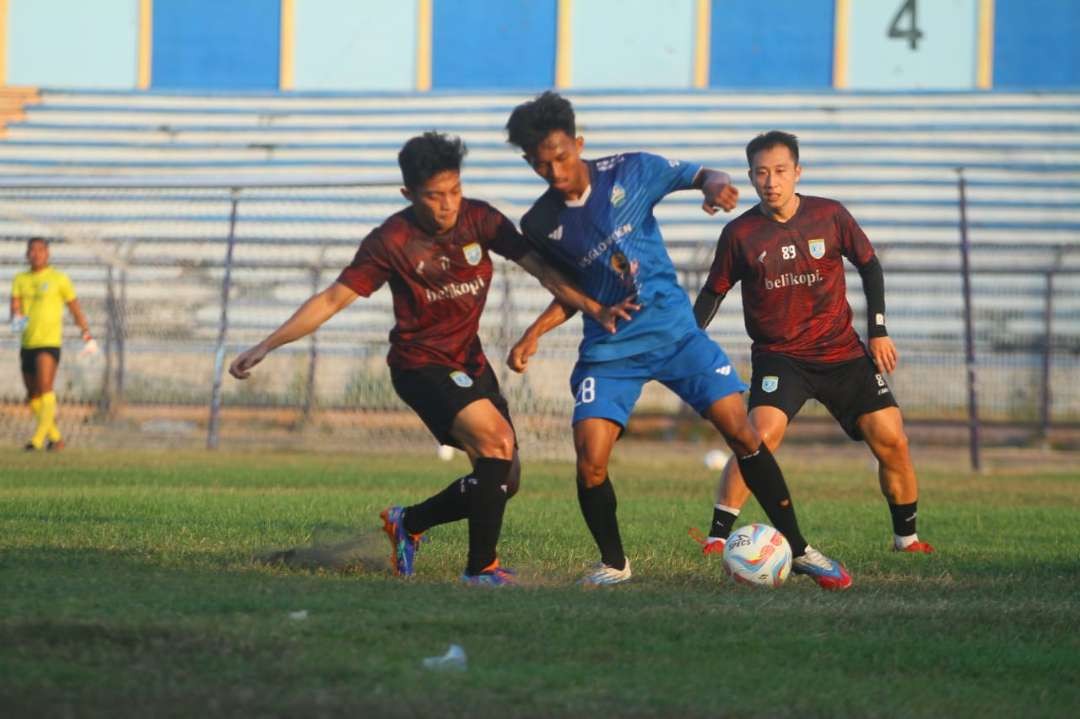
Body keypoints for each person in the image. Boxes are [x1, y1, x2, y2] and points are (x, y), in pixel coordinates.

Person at [229, 132, 626, 586]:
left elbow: (541, 269)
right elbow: (331, 300)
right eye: (435, 196)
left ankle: (409, 522)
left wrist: (592, 308)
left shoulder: (480, 219)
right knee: (496, 445)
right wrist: (266, 344)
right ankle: (481, 570)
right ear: (409, 194)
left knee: (504, 477)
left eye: (454, 191)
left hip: (470, 361)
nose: (448, 205)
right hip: (420, 365)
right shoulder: (391, 240)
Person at [504, 92, 851, 589]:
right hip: (610, 349)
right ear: (529, 163)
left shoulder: (632, 170)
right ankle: (614, 563)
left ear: (578, 144)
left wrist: (718, 188)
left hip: (675, 335)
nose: (556, 172)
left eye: (561, 157)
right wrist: (532, 334)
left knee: (743, 435)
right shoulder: (541, 223)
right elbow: (569, 290)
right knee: (590, 458)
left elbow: (702, 174)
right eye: (542, 166)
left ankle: (799, 549)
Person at [691, 130, 933, 556]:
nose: (771, 181)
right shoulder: (740, 233)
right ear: (750, 177)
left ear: (797, 172)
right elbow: (714, 292)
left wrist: (878, 329)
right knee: (758, 439)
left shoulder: (829, 215)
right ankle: (717, 537)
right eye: (761, 173)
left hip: (842, 353)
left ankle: (907, 540)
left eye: (780, 171)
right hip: (781, 357)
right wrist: (688, 342)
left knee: (893, 439)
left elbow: (870, 266)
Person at [9, 236, 95, 451]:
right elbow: (15, 308)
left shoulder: (59, 279)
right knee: (33, 395)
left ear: (48, 254)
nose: (36, 254)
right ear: (27, 254)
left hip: (49, 343)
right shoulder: (20, 279)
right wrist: (16, 318)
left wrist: (85, 332)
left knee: (46, 387)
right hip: (28, 343)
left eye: (40, 250)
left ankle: (37, 440)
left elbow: (74, 307)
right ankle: (55, 438)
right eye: (32, 250)